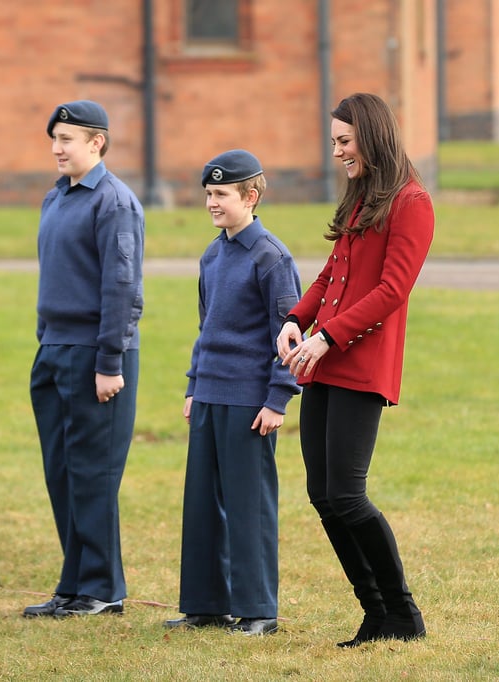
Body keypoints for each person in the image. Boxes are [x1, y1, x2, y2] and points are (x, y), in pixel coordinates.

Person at [276, 92, 433, 646]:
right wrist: (297, 318)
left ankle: (405, 615)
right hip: (323, 358)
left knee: (346, 494)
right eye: (336, 141)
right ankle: (376, 614)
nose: (338, 151)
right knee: (322, 496)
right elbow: (330, 275)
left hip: (361, 364)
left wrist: (328, 337)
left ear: (371, 137)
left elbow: (393, 289)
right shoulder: (362, 196)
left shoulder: (411, 202)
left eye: (345, 141)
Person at [164, 150, 301, 636]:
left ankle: (258, 609)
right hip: (209, 396)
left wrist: (277, 399)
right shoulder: (212, 254)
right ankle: (205, 605)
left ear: (251, 196)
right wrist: (193, 385)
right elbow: (207, 328)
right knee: (201, 503)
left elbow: (289, 334)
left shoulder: (272, 257)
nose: (212, 203)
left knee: (248, 506)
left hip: (250, 402)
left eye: (221, 195)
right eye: (208, 194)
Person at [24, 100, 144, 618]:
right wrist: (44, 340)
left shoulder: (113, 202)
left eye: (66, 139)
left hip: (95, 355)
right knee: (62, 473)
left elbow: (122, 287)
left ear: (96, 143)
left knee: (93, 474)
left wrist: (109, 362)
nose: (57, 147)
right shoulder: (57, 197)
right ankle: (74, 585)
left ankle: (101, 589)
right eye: (54, 138)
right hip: (53, 350)